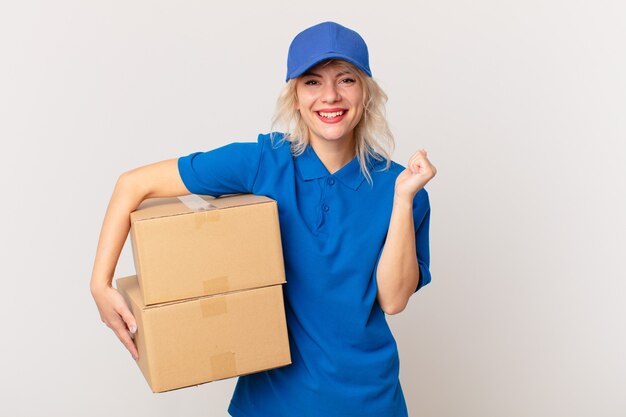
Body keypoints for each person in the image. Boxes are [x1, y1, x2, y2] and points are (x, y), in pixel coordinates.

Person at [90, 21, 437, 417]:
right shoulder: (263, 162)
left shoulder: (400, 186)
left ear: (367, 93)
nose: (330, 96)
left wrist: (403, 200)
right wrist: (100, 284)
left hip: (369, 402)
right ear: (294, 96)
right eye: (312, 82)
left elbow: (393, 300)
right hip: (272, 403)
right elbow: (133, 185)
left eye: (346, 80)